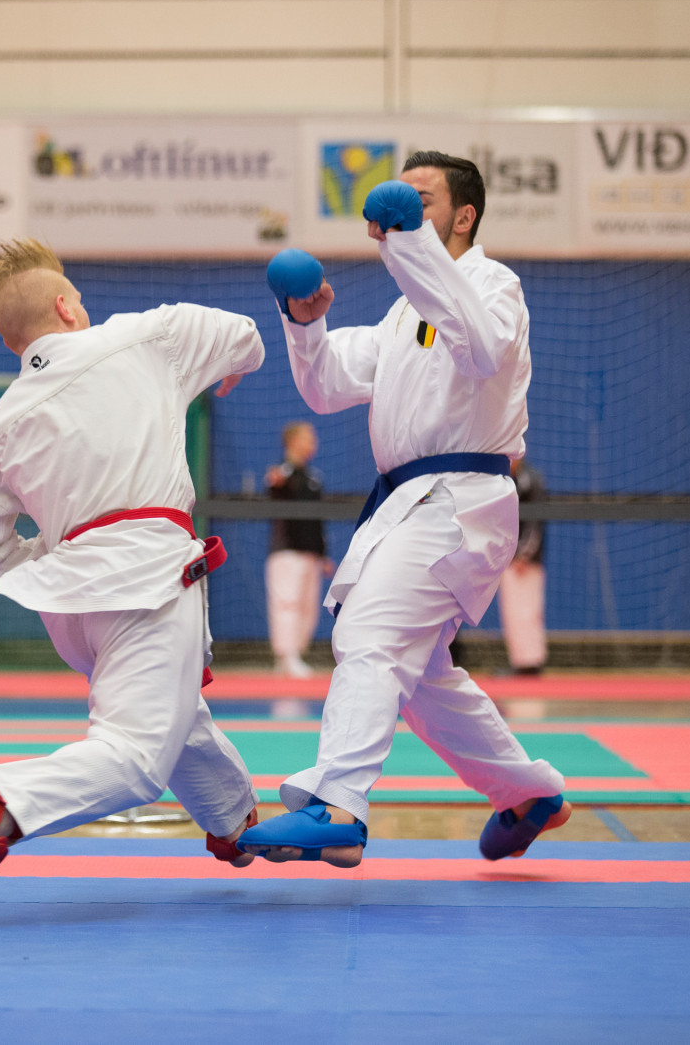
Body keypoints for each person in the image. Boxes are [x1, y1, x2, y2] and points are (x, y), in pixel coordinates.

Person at [239, 152, 569, 867]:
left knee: (371, 632)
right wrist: (305, 325)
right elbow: (327, 386)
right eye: (399, 200)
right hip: (412, 502)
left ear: (464, 216)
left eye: (422, 200)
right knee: (421, 681)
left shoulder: (494, 285)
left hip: (461, 498)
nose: (404, 212)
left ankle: (338, 804)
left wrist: (409, 243)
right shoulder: (401, 313)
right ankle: (527, 793)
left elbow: (480, 349)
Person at [0, 238, 265, 906]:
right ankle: (4, 798)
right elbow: (246, 336)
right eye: (78, 298)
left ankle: (232, 819)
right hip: (145, 573)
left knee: (170, 705)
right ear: (66, 307)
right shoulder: (145, 336)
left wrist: (53, 559)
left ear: (11, 342)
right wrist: (233, 368)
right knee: (135, 756)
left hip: (71, 605)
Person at [264, 421, 335, 677]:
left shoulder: (314, 478)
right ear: (294, 442)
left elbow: (318, 521)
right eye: (309, 437)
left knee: (307, 609)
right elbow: (274, 484)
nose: (314, 442)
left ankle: (295, 655)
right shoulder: (282, 472)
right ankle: (286, 656)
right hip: (286, 552)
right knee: (287, 604)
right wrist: (276, 480)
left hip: (311, 555)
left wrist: (323, 554)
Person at [499, 457, 548, 675]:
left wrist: (524, 556)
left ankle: (530, 662)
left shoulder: (531, 480)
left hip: (525, 561)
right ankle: (521, 661)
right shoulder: (508, 480)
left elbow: (535, 524)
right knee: (513, 612)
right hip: (510, 558)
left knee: (527, 611)